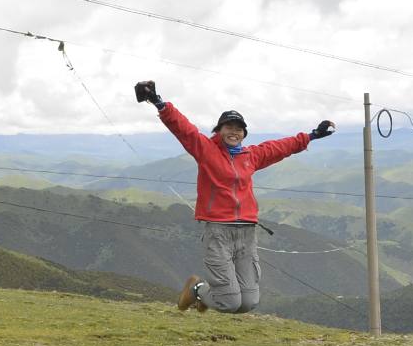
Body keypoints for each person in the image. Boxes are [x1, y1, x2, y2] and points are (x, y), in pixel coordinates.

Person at [135, 80, 333, 314]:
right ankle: (197, 289)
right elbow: (184, 129)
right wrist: (159, 102)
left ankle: (206, 296)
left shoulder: (251, 155)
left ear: (244, 133)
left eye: (238, 128)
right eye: (228, 127)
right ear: (218, 131)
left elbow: (280, 147)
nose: (234, 132)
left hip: (246, 233)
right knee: (230, 303)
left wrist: (311, 136)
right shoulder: (206, 151)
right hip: (219, 231)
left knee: (247, 303)